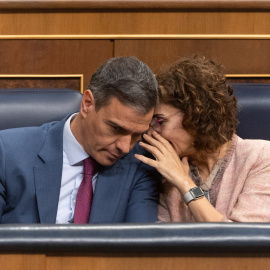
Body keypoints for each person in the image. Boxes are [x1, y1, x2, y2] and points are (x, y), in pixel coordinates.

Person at [0, 56, 160, 224]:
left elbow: (139, 245)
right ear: (88, 103)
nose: (125, 147)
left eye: (136, 135)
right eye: (116, 128)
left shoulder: (139, 165)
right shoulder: (7, 153)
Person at [135, 55, 270, 222]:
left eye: (159, 121)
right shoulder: (165, 169)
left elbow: (244, 241)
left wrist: (184, 183)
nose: (150, 134)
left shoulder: (261, 157)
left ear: (194, 116)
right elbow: (164, 242)